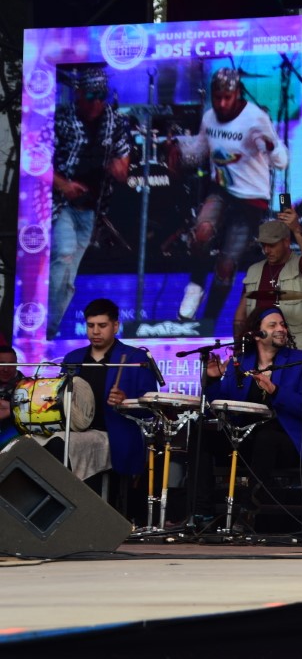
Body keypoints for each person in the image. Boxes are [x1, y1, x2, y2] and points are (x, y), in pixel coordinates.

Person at [177, 67, 288, 330]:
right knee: (201, 231)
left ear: (237, 93)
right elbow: (198, 152)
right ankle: (195, 285)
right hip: (222, 189)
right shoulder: (209, 118)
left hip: (251, 198)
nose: (222, 103)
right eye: (217, 98)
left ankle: (207, 321)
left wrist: (270, 146)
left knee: (226, 264)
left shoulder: (255, 118)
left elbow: (281, 161)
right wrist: (179, 148)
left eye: (227, 97)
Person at [197, 307, 302, 523]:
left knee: (266, 437)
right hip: (245, 437)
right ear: (256, 335)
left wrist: (275, 390)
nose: (281, 329)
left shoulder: (299, 360)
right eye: (273, 325)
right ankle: (202, 513)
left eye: (283, 325)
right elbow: (218, 406)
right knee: (201, 435)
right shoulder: (240, 362)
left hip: (285, 442)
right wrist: (213, 380)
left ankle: (247, 511)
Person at [47, 66, 132, 339]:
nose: (96, 102)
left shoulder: (115, 121)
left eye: (101, 96)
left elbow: (123, 166)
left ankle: (51, 329)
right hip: (60, 203)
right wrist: (64, 185)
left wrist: (118, 168)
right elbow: (36, 161)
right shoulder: (61, 119)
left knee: (69, 274)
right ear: (79, 94)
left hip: (91, 208)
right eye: (91, 96)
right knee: (64, 254)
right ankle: (46, 328)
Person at [55, 299, 157, 518]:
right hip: (76, 433)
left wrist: (126, 402)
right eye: (90, 325)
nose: (95, 331)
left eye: (102, 325)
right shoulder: (73, 358)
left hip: (117, 436)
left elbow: (151, 408)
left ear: (115, 326)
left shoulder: (134, 358)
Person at [235, 209, 302, 360]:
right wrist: (240, 348)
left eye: (271, 245)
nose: (266, 250)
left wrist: (296, 228)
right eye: (263, 245)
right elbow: (241, 314)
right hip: (262, 357)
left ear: (286, 242)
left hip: (301, 355)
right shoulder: (254, 270)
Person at [0, 345, 24, 447]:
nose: (6, 369)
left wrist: (11, 408)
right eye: (2, 364)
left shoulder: (27, 386)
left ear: (16, 365)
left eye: (11, 364)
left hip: (16, 440)